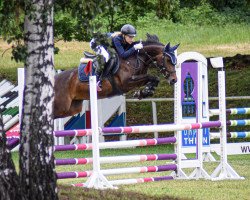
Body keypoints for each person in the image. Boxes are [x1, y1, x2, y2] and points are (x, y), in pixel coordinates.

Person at [90, 24, 143, 90]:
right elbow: (123, 55)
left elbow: (127, 50)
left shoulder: (124, 39)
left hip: (106, 45)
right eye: (130, 37)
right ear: (124, 35)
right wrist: (134, 47)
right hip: (96, 43)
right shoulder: (117, 39)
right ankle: (96, 80)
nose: (132, 39)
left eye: (132, 37)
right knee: (106, 56)